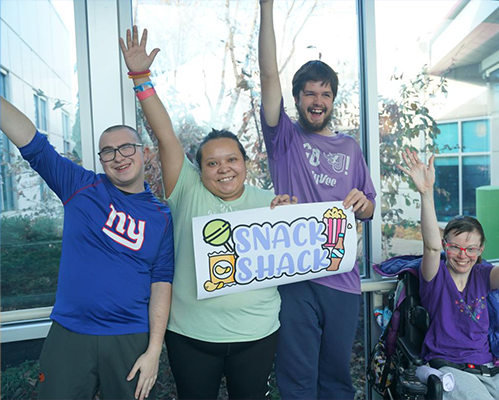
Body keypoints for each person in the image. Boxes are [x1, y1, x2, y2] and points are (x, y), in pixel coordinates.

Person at [119, 26, 296, 400]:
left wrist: (292, 219)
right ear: (198, 170)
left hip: (257, 336)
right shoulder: (185, 190)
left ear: (246, 164)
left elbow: (299, 250)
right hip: (191, 337)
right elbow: (164, 134)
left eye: (232, 159)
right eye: (212, 163)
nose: (224, 168)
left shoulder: (271, 202)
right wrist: (141, 78)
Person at [0, 97, 174, 399]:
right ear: (101, 159)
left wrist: (154, 351)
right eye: (108, 151)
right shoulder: (80, 186)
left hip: (129, 337)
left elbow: (161, 282)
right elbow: (33, 143)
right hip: (70, 332)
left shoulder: (161, 216)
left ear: (144, 153)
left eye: (126, 148)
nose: (118, 157)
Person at [258, 2, 377, 398]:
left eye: (325, 93)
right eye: (309, 92)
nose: (317, 100)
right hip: (295, 278)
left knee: (336, 379)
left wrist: (363, 204)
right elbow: (268, 74)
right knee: (297, 379)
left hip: (342, 282)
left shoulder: (350, 147)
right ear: (296, 97)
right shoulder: (284, 139)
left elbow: (371, 207)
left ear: (333, 100)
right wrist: (267, 9)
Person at [398, 148, 499, 400]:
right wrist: (426, 194)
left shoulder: (483, 276)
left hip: (489, 369)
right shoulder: (434, 275)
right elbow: (430, 245)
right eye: (455, 247)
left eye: (471, 249)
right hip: (448, 367)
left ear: (480, 249)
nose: (463, 255)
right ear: (445, 246)